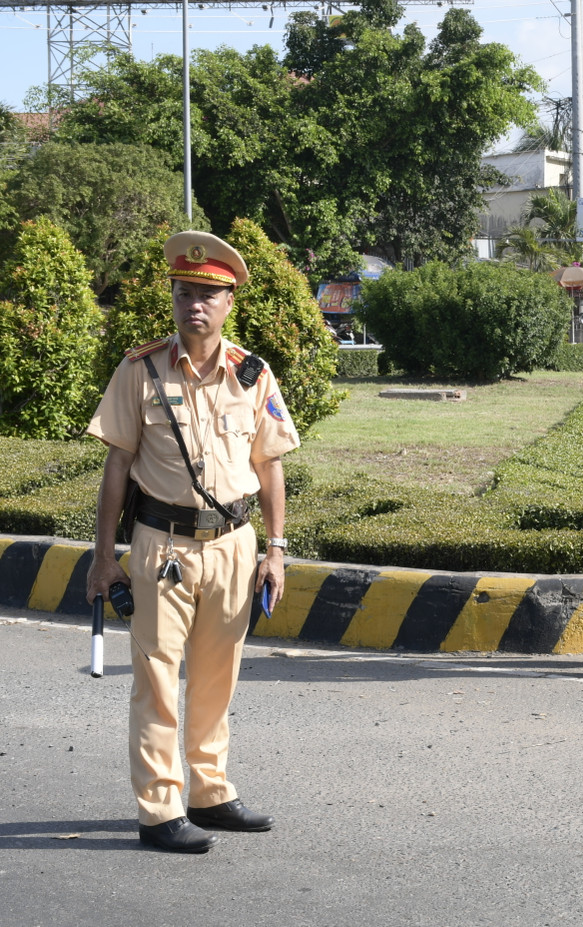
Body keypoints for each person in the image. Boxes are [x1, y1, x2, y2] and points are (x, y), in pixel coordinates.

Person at [84, 231, 300, 854]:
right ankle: (159, 810)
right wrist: (104, 558)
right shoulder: (140, 370)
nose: (195, 305)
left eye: (208, 294)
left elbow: (270, 467)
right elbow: (117, 468)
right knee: (156, 677)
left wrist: (277, 549)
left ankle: (209, 793)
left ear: (230, 301)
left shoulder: (253, 375)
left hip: (234, 544)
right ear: (173, 298)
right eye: (185, 293)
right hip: (162, 546)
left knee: (217, 676)